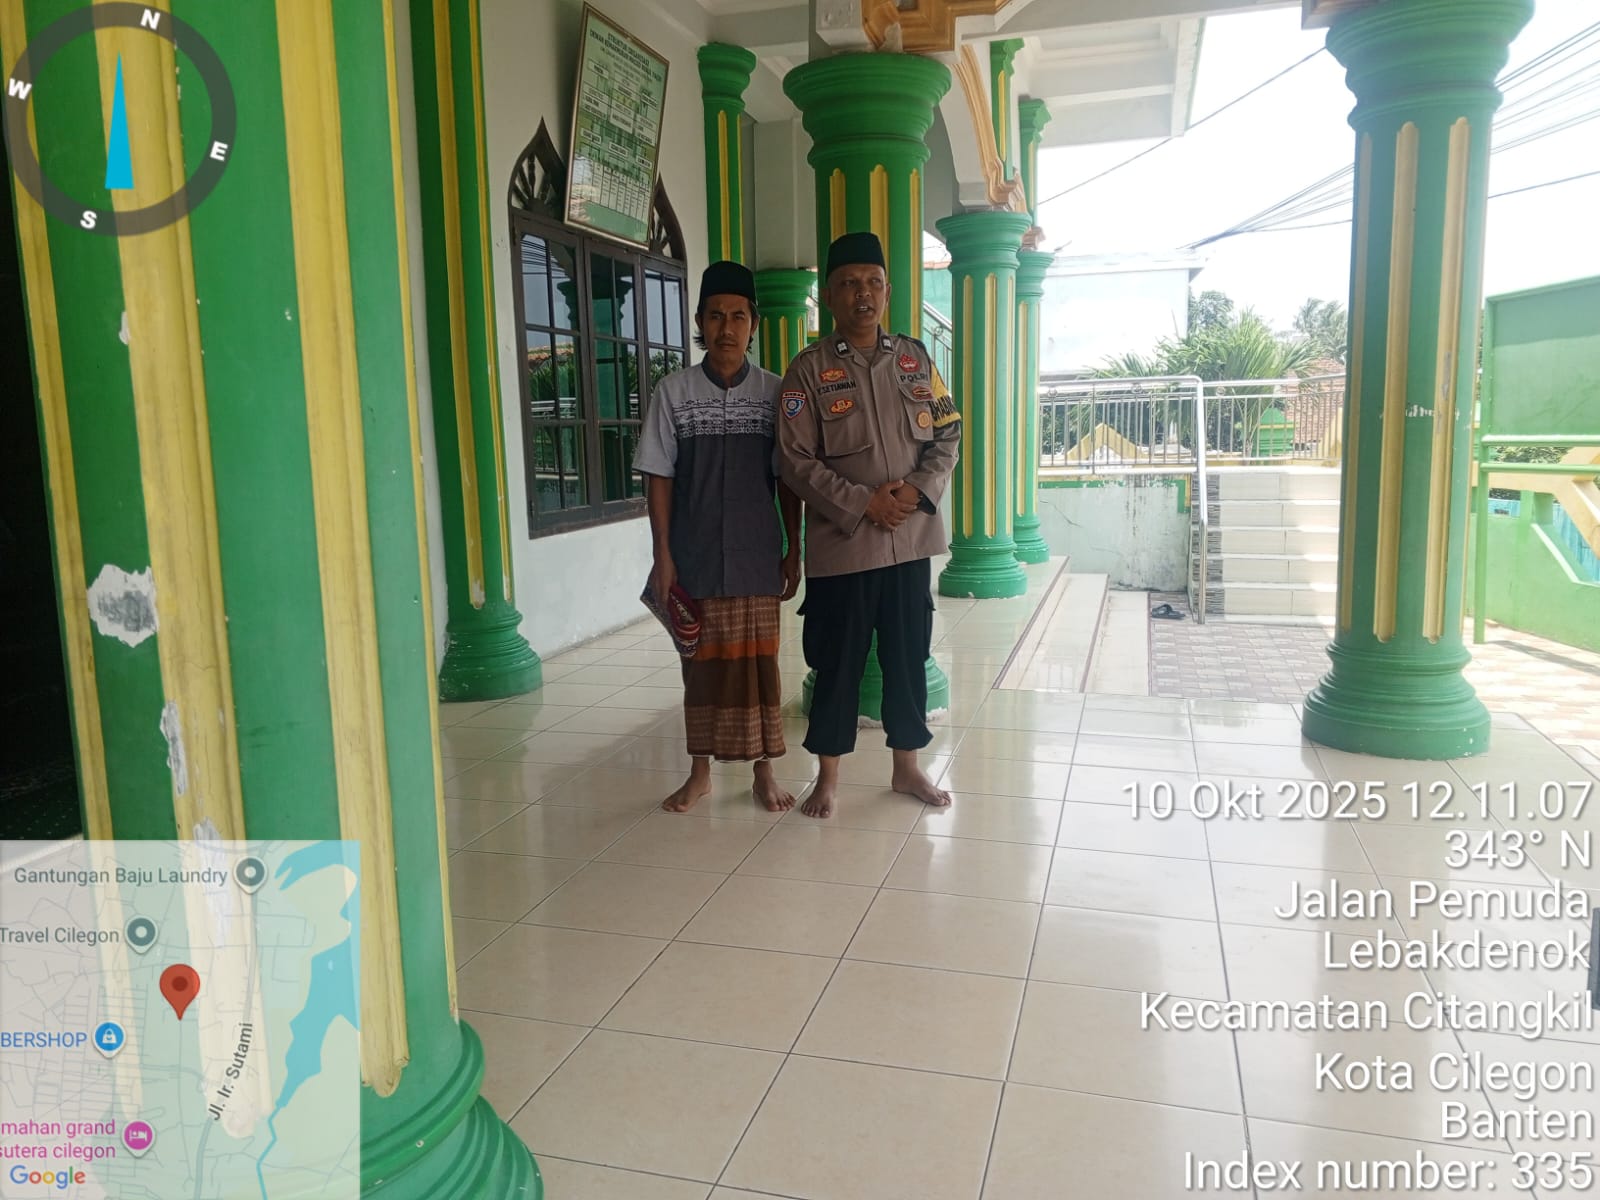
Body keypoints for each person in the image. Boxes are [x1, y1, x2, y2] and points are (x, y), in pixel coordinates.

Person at [776, 231, 959, 819]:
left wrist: (916, 490)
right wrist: (863, 504)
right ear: (830, 295)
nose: (864, 294)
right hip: (845, 546)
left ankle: (907, 767)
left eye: (874, 283)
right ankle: (828, 777)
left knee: (908, 657)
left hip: (909, 541)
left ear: (887, 291)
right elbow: (793, 460)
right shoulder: (808, 371)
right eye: (850, 283)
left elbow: (948, 432)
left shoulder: (916, 359)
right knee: (838, 662)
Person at [633, 261, 803, 813]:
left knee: (760, 668)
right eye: (714, 316)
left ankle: (764, 773)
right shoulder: (673, 393)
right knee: (701, 671)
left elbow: (788, 479)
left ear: (754, 323)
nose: (726, 328)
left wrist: (793, 548)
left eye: (737, 316)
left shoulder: (775, 393)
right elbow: (658, 475)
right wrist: (663, 555)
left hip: (757, 556)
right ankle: (700, 773)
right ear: (700, 323)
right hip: (697, 556)